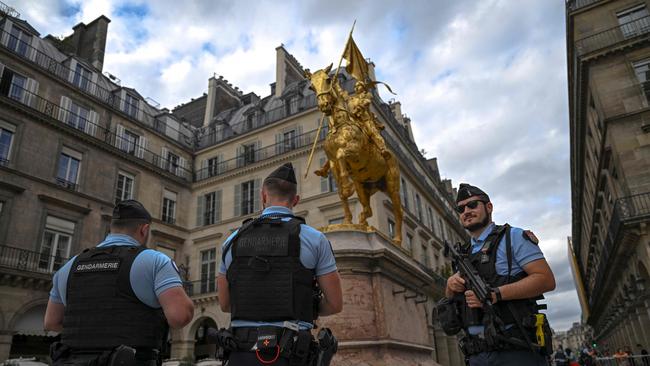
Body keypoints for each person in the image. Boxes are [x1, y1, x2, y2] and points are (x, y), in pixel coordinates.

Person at [217, 162, 343, 365]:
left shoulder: (231, 242)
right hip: (290, 354)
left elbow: (225, 304)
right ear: (296, 200)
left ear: (263, 197)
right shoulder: (315, 239)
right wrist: (305, 305)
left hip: (241, 353)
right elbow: (335, 303)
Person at [44, 200, 194, 366]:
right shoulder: (155, 261)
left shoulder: (68, 267)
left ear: (111, 228)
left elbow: (51, 322)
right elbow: (180, 317)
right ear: (144, 229)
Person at [444, 183, 556, 366]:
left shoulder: (514, 237)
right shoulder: (463, 254)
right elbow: (453, 300)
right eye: (461, 208)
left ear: (489, 207)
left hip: (516, 351)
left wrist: (496, 294)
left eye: (473, 205)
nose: (466, 211)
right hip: (476, 354)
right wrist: (450, 286)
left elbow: (545, 280)